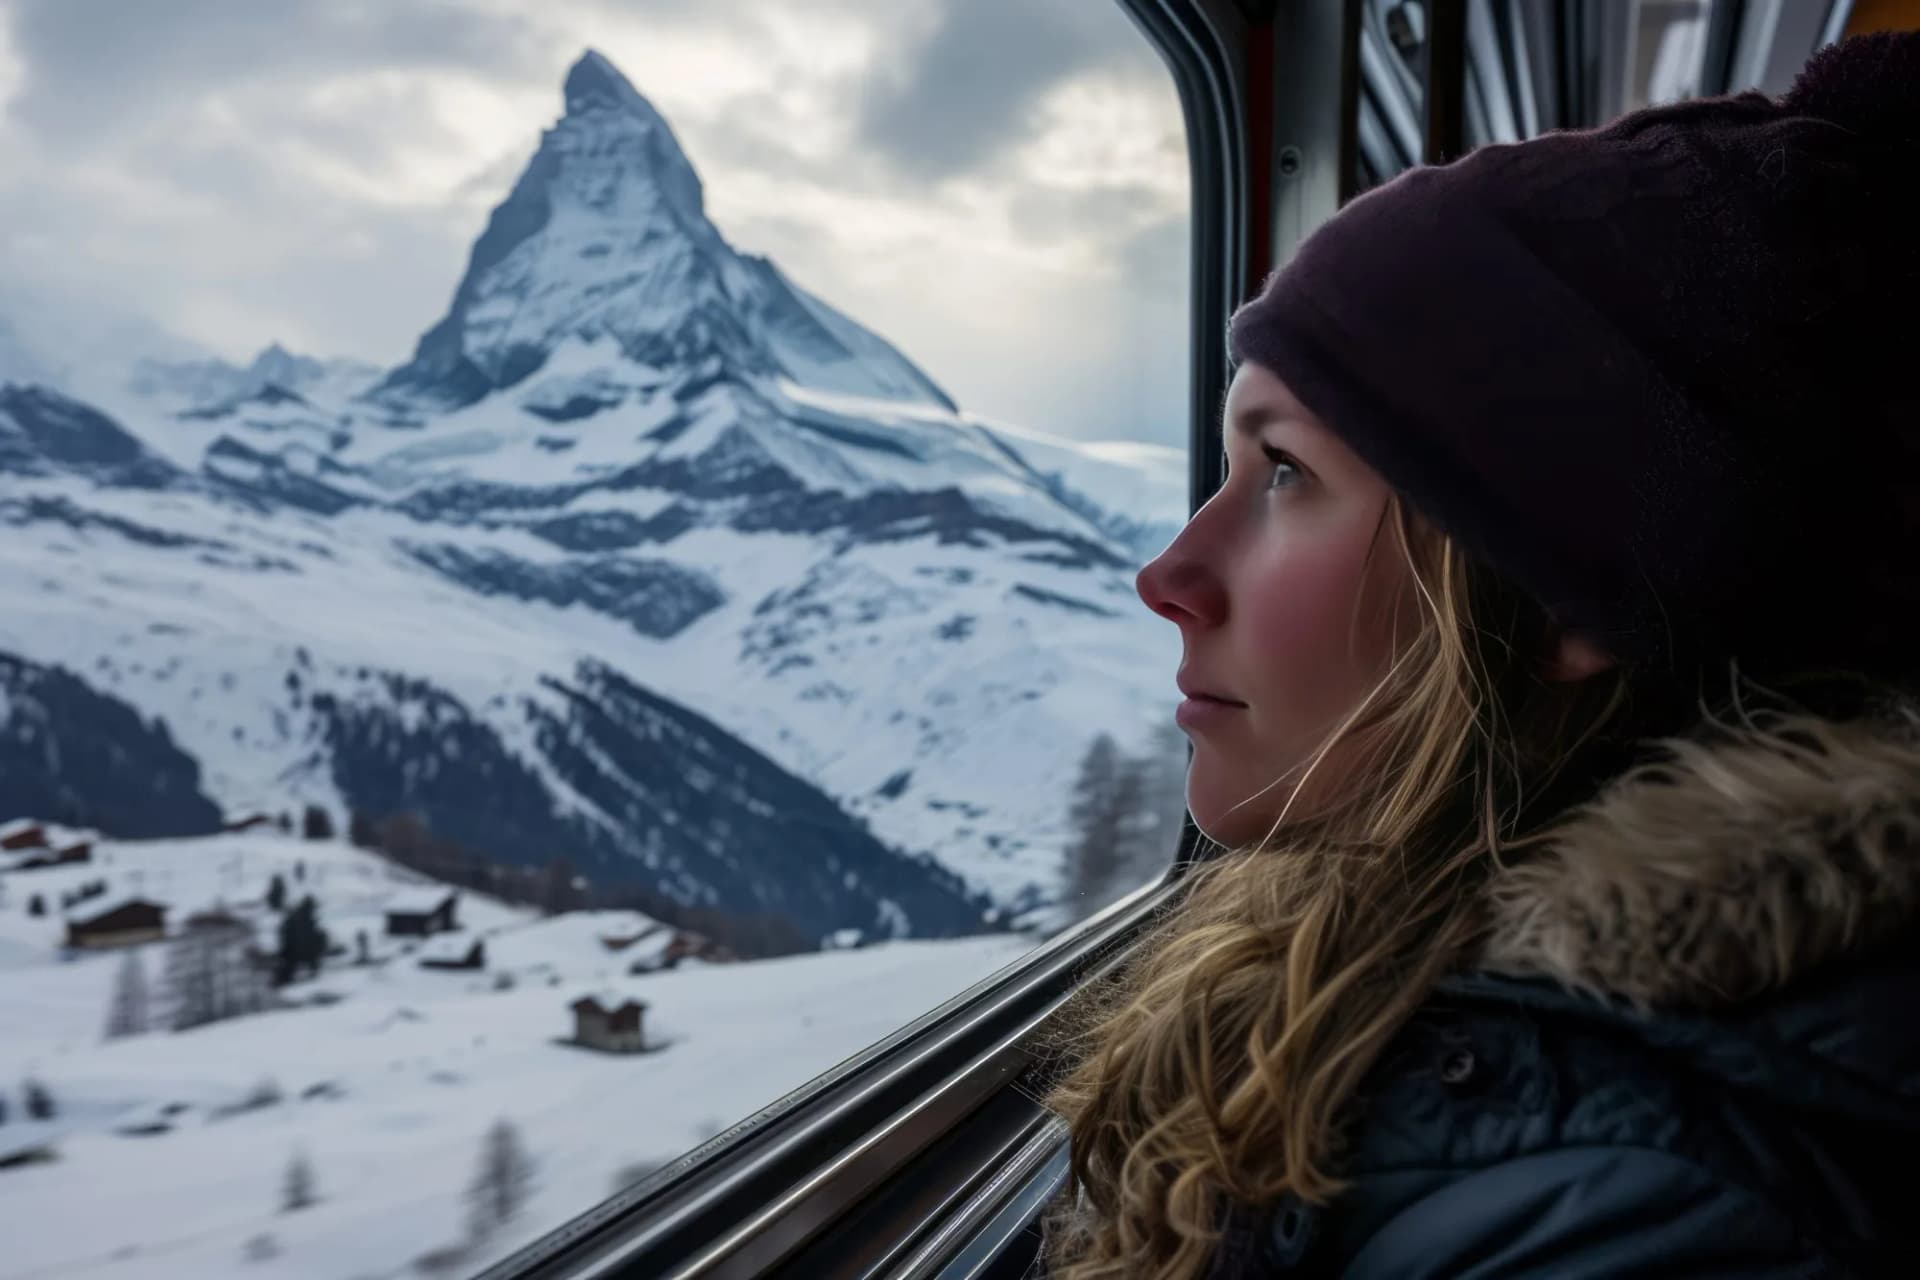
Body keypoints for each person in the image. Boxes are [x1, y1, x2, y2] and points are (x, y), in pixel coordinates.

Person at [1037, 30, 1920, 1280]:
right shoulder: (1370, 949)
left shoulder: (1661, 1208)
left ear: (1571, 598)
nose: (1169, 577)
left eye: (1286, 470)